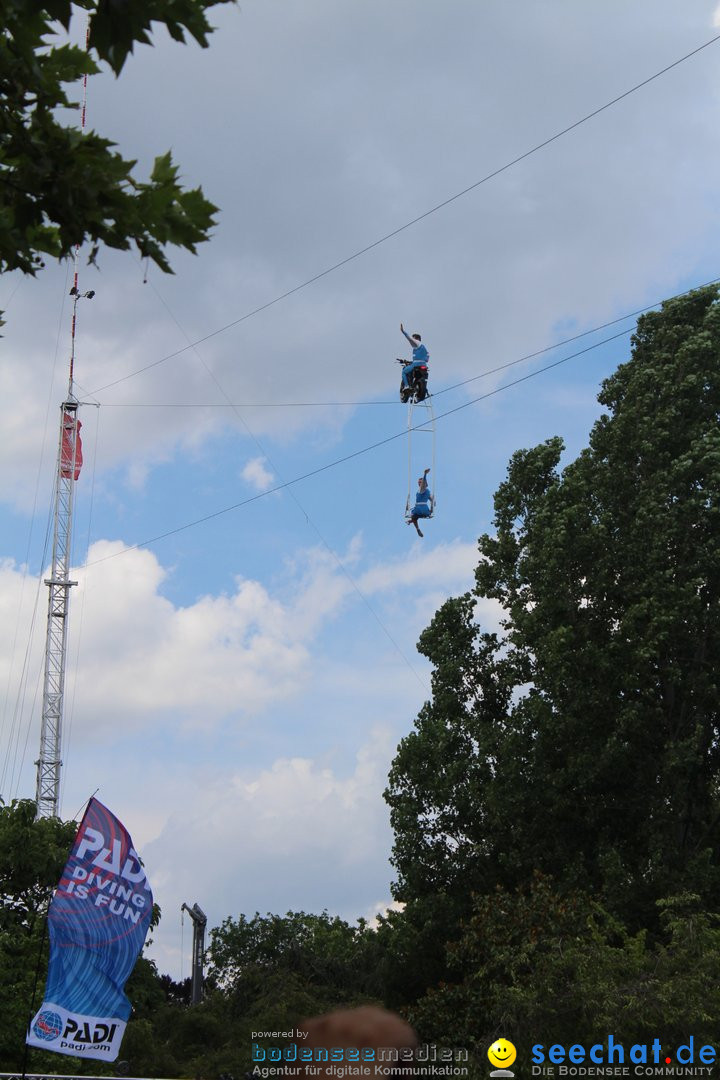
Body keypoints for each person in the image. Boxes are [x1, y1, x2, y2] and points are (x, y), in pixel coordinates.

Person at [399, 322, 429, 393]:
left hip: (416, 365)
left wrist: (403, 331)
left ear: (416, 339)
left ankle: (406, 386)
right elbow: (426, 359)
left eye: (414, 338)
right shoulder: (424, 348)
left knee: (404, 372)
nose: (412, 340)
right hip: (424, 365)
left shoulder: (417, 344)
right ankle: (421, 388)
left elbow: (409, 338)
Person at [407, 468, 433, 537]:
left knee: (414, 514)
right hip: (424, 510)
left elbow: (423, 484)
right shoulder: (428, 492)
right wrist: (431, 510)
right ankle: (414, 524)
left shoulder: (422, 489)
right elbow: (433, 501)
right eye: (418, 482)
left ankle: (417, 528)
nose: (419, 484)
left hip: (419, 508)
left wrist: (425, 474)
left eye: (420, 482)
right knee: (414, 517)